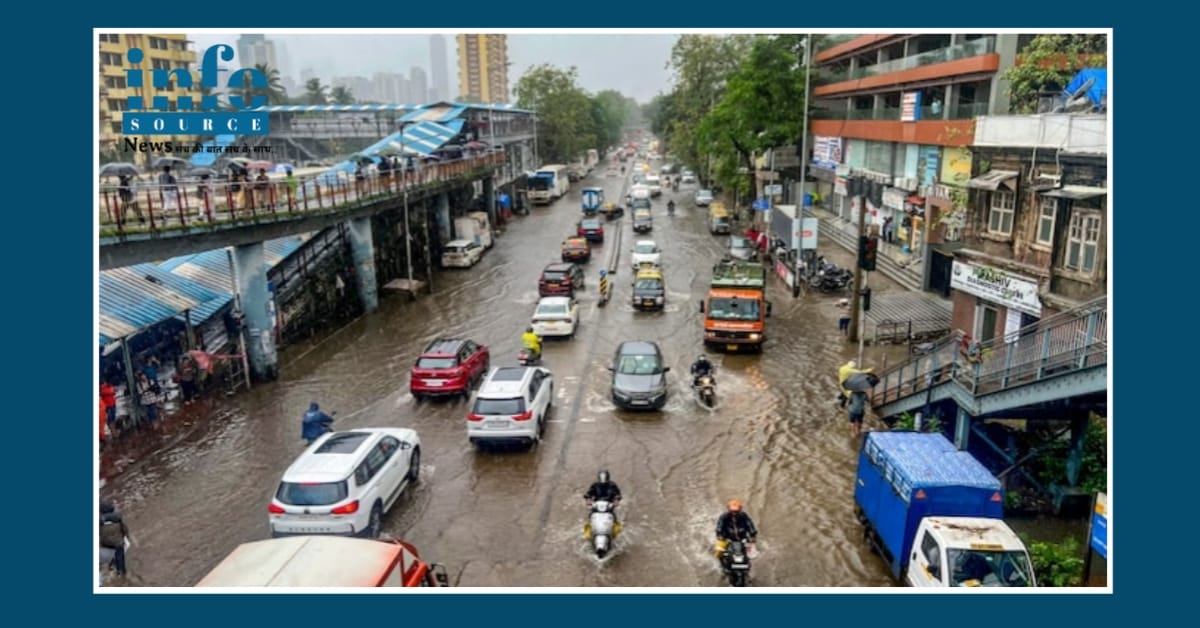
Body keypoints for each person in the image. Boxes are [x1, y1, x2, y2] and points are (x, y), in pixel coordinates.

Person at [99, 498, 130, 578]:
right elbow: (124, 528)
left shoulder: (99, 521)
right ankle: (121, 571)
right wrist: (126, 535)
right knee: (120, 555)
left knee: (110, 553)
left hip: (106, 543)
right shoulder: (117, 518)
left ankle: (112, 563)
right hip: (118, 542)